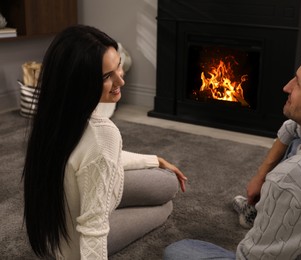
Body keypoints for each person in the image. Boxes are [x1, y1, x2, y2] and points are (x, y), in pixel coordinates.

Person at [163, 44, 301, 259]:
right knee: (296, 140)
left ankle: (270, 218)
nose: (287, 87)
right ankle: (267, 214)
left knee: (180, 251)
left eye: (298, 84)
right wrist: (261, 176)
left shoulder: (291, 179)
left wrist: (273, 193)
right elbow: (293, 127)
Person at [22, 24, 187, 259]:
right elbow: (94, 229)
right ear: (80, 82)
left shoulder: (55, 117)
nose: (121, 81)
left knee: (167, 181)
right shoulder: (102, 134)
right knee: (165, 205)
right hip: (76, 247)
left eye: (118, 65)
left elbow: (93, 159)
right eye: (107, 77)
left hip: (54, 235)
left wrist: (155, 160)